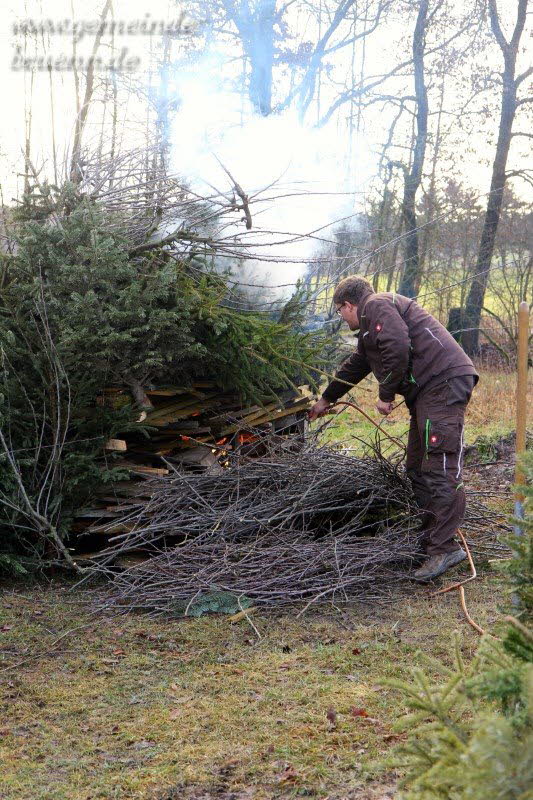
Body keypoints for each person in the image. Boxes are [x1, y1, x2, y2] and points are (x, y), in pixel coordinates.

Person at [308, 276, 478, 581]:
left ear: (348, 305)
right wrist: (325, 399)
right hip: (429, 390)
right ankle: (431, 543)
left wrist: (385, 395)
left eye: (339, 312)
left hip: (443, 383)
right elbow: (357, 365)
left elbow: (397, 347)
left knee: (438, 464)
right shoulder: (371, 327)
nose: (342, 317)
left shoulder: (376, 306)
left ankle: (444, 548)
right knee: (416, 466)